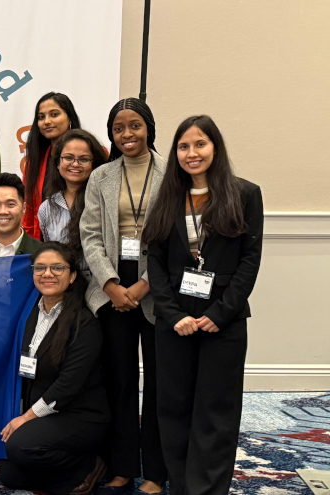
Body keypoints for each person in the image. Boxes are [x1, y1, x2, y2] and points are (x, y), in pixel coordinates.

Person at [142, 116, 263, 495]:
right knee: (174, 407)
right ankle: (181, 485)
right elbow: (155, 263)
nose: (191, 153)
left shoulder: (245, 194)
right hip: (174, 323)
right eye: (183, 146)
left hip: (222, 322)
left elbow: (249, 262)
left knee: (216, 410)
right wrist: (173, 314)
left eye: (200, 144)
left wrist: (218, 314)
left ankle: (207, 488)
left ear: (215, 148)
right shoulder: (167, 197)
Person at [80, 98, 168, 494]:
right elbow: (90, 235)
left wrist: (146, 283)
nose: (127, 134)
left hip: (157, 287)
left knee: (159, 382)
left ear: (148, 128)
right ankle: (122, 466)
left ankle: (156, 471)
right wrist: (111, 285)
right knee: (119, 380)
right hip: (112, 288)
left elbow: (174, 237)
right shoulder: (101, 176)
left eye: (135, 125)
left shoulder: (170, 172)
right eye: (118, 128)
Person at [0, 242, 110, 495]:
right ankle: (65, 476)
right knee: (9, 473)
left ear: (72, 276)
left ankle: (90, 465)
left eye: (57, 268)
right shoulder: (28, 314)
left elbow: (68, 385)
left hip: (79, 414)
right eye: (40, 268)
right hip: (45, 414)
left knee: (19, 447)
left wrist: (26, 418)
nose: (47, 274)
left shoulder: (85, 322)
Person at [38, 129, 109, 274]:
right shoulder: (46, 208)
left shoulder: (105, 201)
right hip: (62, 282)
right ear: (58, 163)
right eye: (68, 158)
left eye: (84, 159)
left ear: (94, 164)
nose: (75, 164)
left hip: (100, 283)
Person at [21, 92, 82, 240]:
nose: (47, 121)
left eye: (54, 114)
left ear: (70, 118)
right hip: (44, 246)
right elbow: (28, 214)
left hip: (84, 242)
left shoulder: (92, 153)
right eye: (41, 117)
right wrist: (31, 248)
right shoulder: (34, 163)